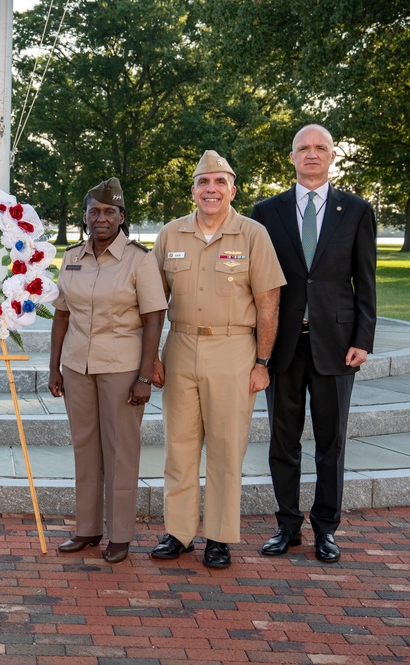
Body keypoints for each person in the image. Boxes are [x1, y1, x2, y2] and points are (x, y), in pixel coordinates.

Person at [150, 150, 285, 568]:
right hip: (181, 346)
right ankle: (180, 532)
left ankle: (220, 537)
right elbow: (153, 302)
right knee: (180, 445)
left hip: (233, 350)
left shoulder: (253, 234)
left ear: (232, 189)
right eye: (203, 182)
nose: (211, 189)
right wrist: (152, 357)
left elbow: (268, 304)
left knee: (227, 448)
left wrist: (262, 362)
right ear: (192, 190)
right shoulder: (170, 235)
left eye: (220, 182)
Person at [251, 125, 376, 563]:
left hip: (337, 344)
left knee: (332, 441)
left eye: (320, 148)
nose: (311, 154)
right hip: (281, 344)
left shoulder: (356, 210)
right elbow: (256, 284)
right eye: (303, 148)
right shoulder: (266, 212)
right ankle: (287, 526)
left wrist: (364, 337)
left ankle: (326, 529)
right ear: (291, 157)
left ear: (332, 156)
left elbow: (366, 279)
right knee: (282, 440)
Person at [48, 178, 167, 564]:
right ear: (84, 217)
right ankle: (88, 528)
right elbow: (62, 314)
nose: (101, 218)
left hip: (122, 368)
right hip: (77, 365)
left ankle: (120, 535)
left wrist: (145, 376)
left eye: (109, 212)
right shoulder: (71, 258)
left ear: (121, 217)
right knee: (85, 448)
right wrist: (55, 368)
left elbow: (154, 319)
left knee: (120, 452)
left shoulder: (139, 259)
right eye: (94, 212)